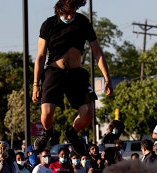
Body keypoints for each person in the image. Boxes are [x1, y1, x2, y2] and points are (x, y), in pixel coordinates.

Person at [31, 0, 114, 156]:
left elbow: (97, 52)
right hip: (54, 72)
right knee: (47, 113)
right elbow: (40, 56)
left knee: (88, 113)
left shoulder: (82, 22)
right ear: (59, 10)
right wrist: (35, 84)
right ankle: (47, 132)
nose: (69, 17)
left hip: (76, 74)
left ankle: (72, 132)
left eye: (72, 12)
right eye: (66, 13)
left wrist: (107, 78)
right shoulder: (49, 24)